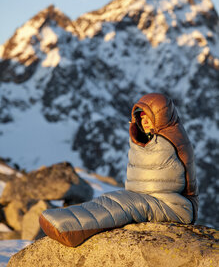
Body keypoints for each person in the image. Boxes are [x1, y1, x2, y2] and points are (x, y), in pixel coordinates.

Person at [39, 93, 198, 247]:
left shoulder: (177, 141)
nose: (144, 120)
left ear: (161, 115)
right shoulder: (143, 139)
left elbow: (190, 184)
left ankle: (72, 231)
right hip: (145, 197)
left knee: (126, 205)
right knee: (111, 199)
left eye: (147, 116)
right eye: (140, 116)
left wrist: (189, 207)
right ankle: (66, 222)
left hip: (173, 205)